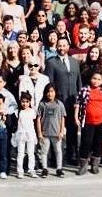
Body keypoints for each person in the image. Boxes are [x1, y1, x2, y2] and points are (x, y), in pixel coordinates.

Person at [44, 36, 81, 164]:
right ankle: (55, 158)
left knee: (72, 129)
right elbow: (49, 83)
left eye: (64, 45)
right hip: (58, 101)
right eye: (59, 45)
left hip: (73, 101)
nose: (62, 48)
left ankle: (72, 155)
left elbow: (79, 82)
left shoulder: (74, 62)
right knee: (55, 130)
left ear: (68, 46)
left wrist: (79, 99)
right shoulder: (51, 62)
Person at [75, 70, 102, 175]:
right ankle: (83, 165)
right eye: (94, 78)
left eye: (99, 79)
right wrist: (76, 118)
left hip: (100, 122)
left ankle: (95, 164)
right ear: (90, 79)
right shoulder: (85, 89)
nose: (96, 81)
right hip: (87, 122)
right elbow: (78, 104)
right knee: (86, 143)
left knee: (98, 143)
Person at [37, 83, 66, 177]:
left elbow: (62, 118)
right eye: (48, 92)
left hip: (56, 133)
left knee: (58, 151)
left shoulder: (59, 104)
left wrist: (61, 131)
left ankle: (59, 168)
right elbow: (38, 119)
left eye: (52, 91)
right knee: (44, 151)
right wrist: (39, 132)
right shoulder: (42, 104)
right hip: (45, 133)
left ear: (55, 92)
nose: (50, 94)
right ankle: (45, 168)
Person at [15, 93, 39, 178]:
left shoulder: (33, 111)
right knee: (20, 153)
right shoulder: (18, 111)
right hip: (21, 134)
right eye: (23, 101)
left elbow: (35, 122)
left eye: (27, 102)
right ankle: (19, 170)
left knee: (31, 153)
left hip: (30, 134)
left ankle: (31, 170)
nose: (24, 104)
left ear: (30, 102)